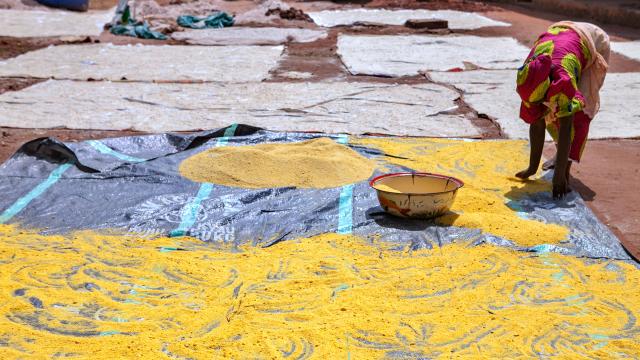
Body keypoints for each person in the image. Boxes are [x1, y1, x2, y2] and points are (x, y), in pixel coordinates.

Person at [514, 21, 610, 199]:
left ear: (551, 86)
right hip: (561, 34)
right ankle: (561, 158)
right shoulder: (529, 75)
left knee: (579, 116)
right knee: (546, 113)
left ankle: (565, 166)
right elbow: (536, 123)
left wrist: (559, 176)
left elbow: (567, 127)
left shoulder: (563, 80)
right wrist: (532, 168)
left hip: (593, 41)